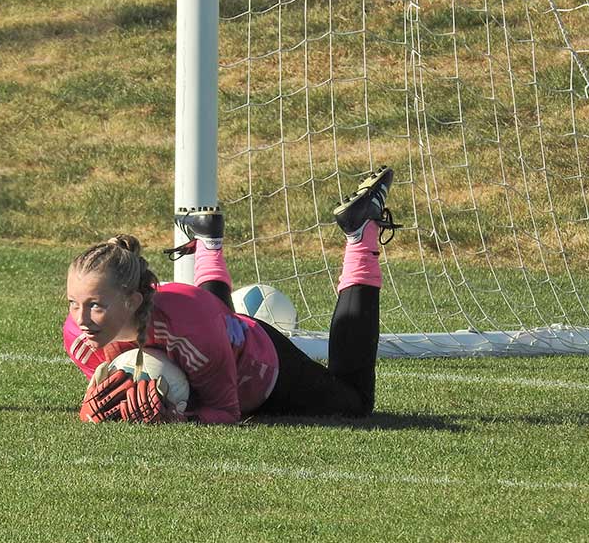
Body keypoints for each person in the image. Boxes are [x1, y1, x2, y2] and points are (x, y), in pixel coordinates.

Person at [64, 166, 400, 424]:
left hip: (259, 362)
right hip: (210, 329)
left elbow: (226, 410)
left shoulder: (190, 327)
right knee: (203, 327)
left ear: (132, 300)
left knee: (354, 403)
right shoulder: (77, 336)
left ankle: (361, 233)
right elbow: (115, 393)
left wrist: (179, 416)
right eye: (73, 304)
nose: (81, 319)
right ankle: (208, 241)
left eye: (96, 306)